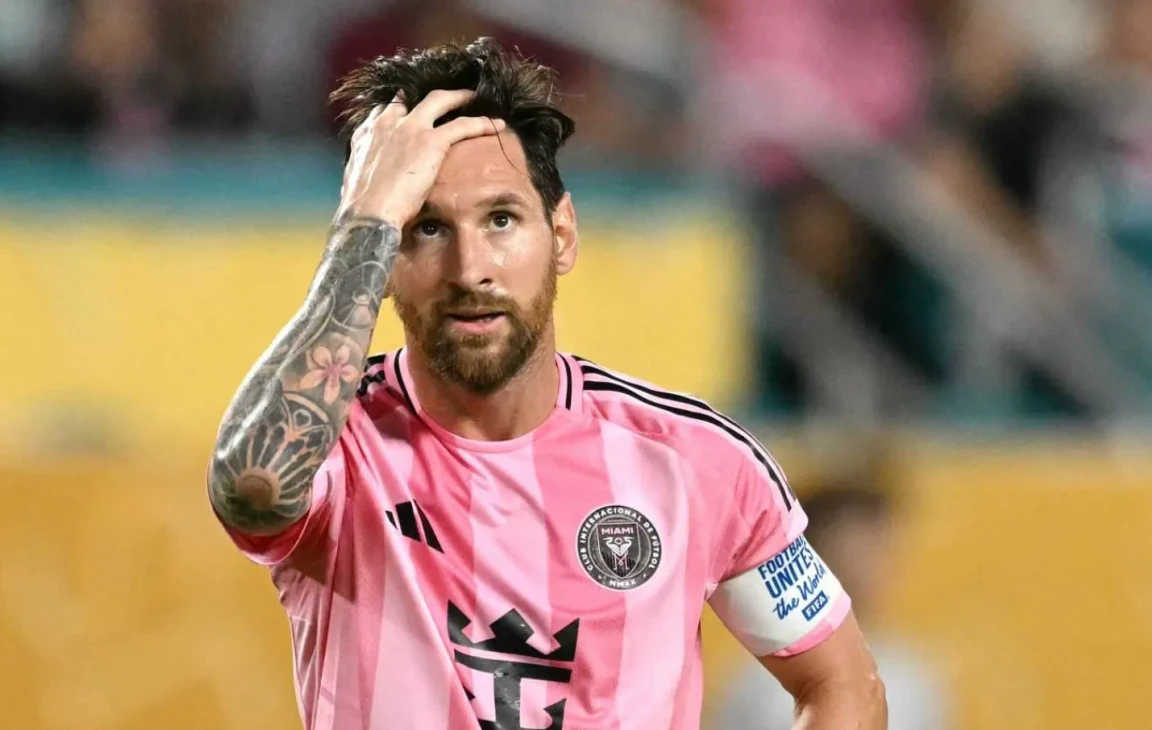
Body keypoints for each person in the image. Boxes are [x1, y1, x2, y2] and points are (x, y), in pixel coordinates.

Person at [207, 38, 886, 729]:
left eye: (501, 220)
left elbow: (842, 686)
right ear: (385, 258)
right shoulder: (340, 448)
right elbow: (253, 487)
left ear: (561, 234)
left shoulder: (695, 462)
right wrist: (365, 223)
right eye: (426, 228)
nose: (470, 268)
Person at [714, 485, 946, 729]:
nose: (867, 565)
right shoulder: (758, 685)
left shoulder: (915, 682)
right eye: (855, 548)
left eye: (878, 549)